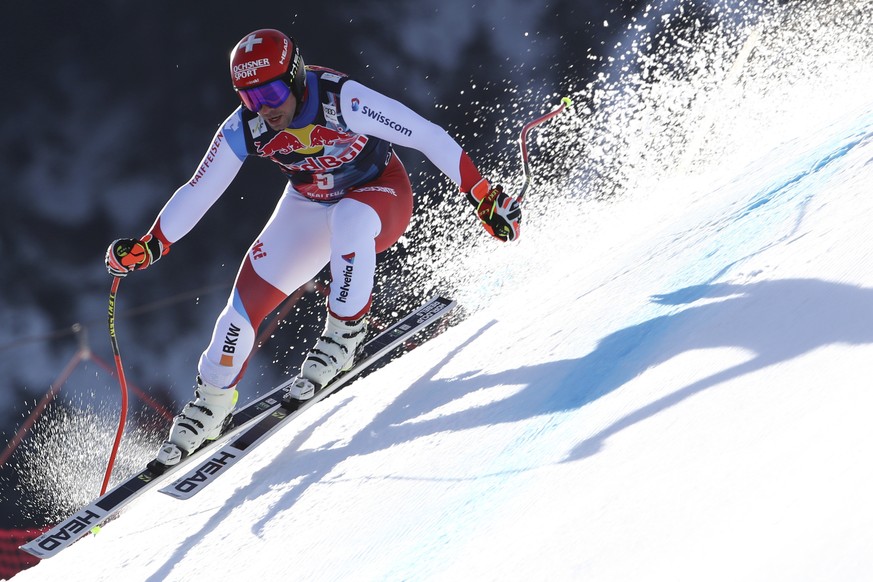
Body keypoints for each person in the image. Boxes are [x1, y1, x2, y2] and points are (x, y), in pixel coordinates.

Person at [105, 29, 521, 467]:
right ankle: (210, 401)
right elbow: (200, 189)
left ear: (297, 74)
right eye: (250, 98)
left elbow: (425, 134)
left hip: (379, 193)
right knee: (242, 306)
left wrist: (481, 194)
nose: (265, 108)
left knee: (349, 218)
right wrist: (153, 244)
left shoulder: (342, 100)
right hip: (309, 202)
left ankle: (344, 333)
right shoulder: (245, 126)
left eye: (271, 91)